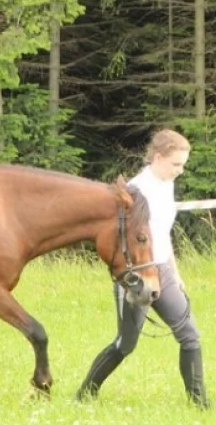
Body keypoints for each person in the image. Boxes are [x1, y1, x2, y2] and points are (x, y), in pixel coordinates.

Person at [77, 129, 209, 407]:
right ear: (158, 158)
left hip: (162, 270)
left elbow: (162, 234)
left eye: (183, 164)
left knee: (190, 335)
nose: (180, 170)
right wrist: (130, 279)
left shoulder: (167, 184)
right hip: (137, 275)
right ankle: (85, 393)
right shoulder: (136, 192)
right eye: (176, 164)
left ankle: (199, 404)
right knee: (126, 344)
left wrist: (175, 273)